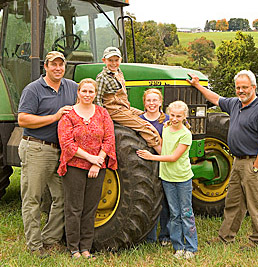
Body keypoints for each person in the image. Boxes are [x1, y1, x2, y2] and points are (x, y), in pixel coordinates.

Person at [187, 70, 258, 249]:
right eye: (238, 88)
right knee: (233, 202)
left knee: (255, 204)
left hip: (253, 162)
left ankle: (257, 241)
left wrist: (256, 168)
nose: (241, 91)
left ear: (254, 87)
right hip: (237, 161)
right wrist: (197, 85)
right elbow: (216, 99)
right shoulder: (236, 104)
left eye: (244, 87)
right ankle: (225, 237)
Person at [18, 51, 78, 256]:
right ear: (46, 66)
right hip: (36, 148)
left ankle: (50, 239)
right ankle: (34, 246)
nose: (58, 68)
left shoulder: (72, 87)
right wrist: (54, 117)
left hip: (61, 151)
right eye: (54, 65)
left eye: (61, 65)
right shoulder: (33, 89)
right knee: (33, 198)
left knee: (63, 197)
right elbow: (23, 120)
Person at [57, 78, 117, 259]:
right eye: (84, 91)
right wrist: (90, 158)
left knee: (91, 209)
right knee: (74, 208)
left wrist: (97, 161)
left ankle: (86, 248)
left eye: (91, 92)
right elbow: (66, 143)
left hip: (97, 168)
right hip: (75, 167)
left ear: (95, 93)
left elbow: (109, 139)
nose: (87, 95)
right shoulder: (68, 116)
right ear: (78, 93)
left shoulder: (102, 113)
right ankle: (73, 248)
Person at [137, 100, 198, 259]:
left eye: (179, 116)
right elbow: (164, 145)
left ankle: (191, 247)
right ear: (168, 114)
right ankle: (178, 246)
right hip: (167, 178)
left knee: (186, 212)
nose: (175, 118)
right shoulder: (166, 128)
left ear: (184, 116)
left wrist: (151, 157)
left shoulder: (185, 134)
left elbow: (173, 157)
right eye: (172, 115)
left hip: (182, 178)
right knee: (174, 214)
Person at [96, 46, 162, 154]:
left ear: (120, 60)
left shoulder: (119, 72)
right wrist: (104, 118)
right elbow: (97, 99)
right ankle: (162, 154)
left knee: (146, 115)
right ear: (104, 61)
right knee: (142, 125)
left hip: (124, 106)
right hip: (114, 110)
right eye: (110, 60)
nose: (113, 63)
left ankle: (163, 141)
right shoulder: (102, 77)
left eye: (116, 60)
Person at [140, 89, 170, 245]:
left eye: (155, 100)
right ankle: (149, 237)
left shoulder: (168, 120)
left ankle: (165, 235)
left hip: (164, 163)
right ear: (144, 103)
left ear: (160, 102)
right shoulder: (139, 120)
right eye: (148, 101)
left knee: (164, 201)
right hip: (145, 166)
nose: (152, 104)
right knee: (148, 200)